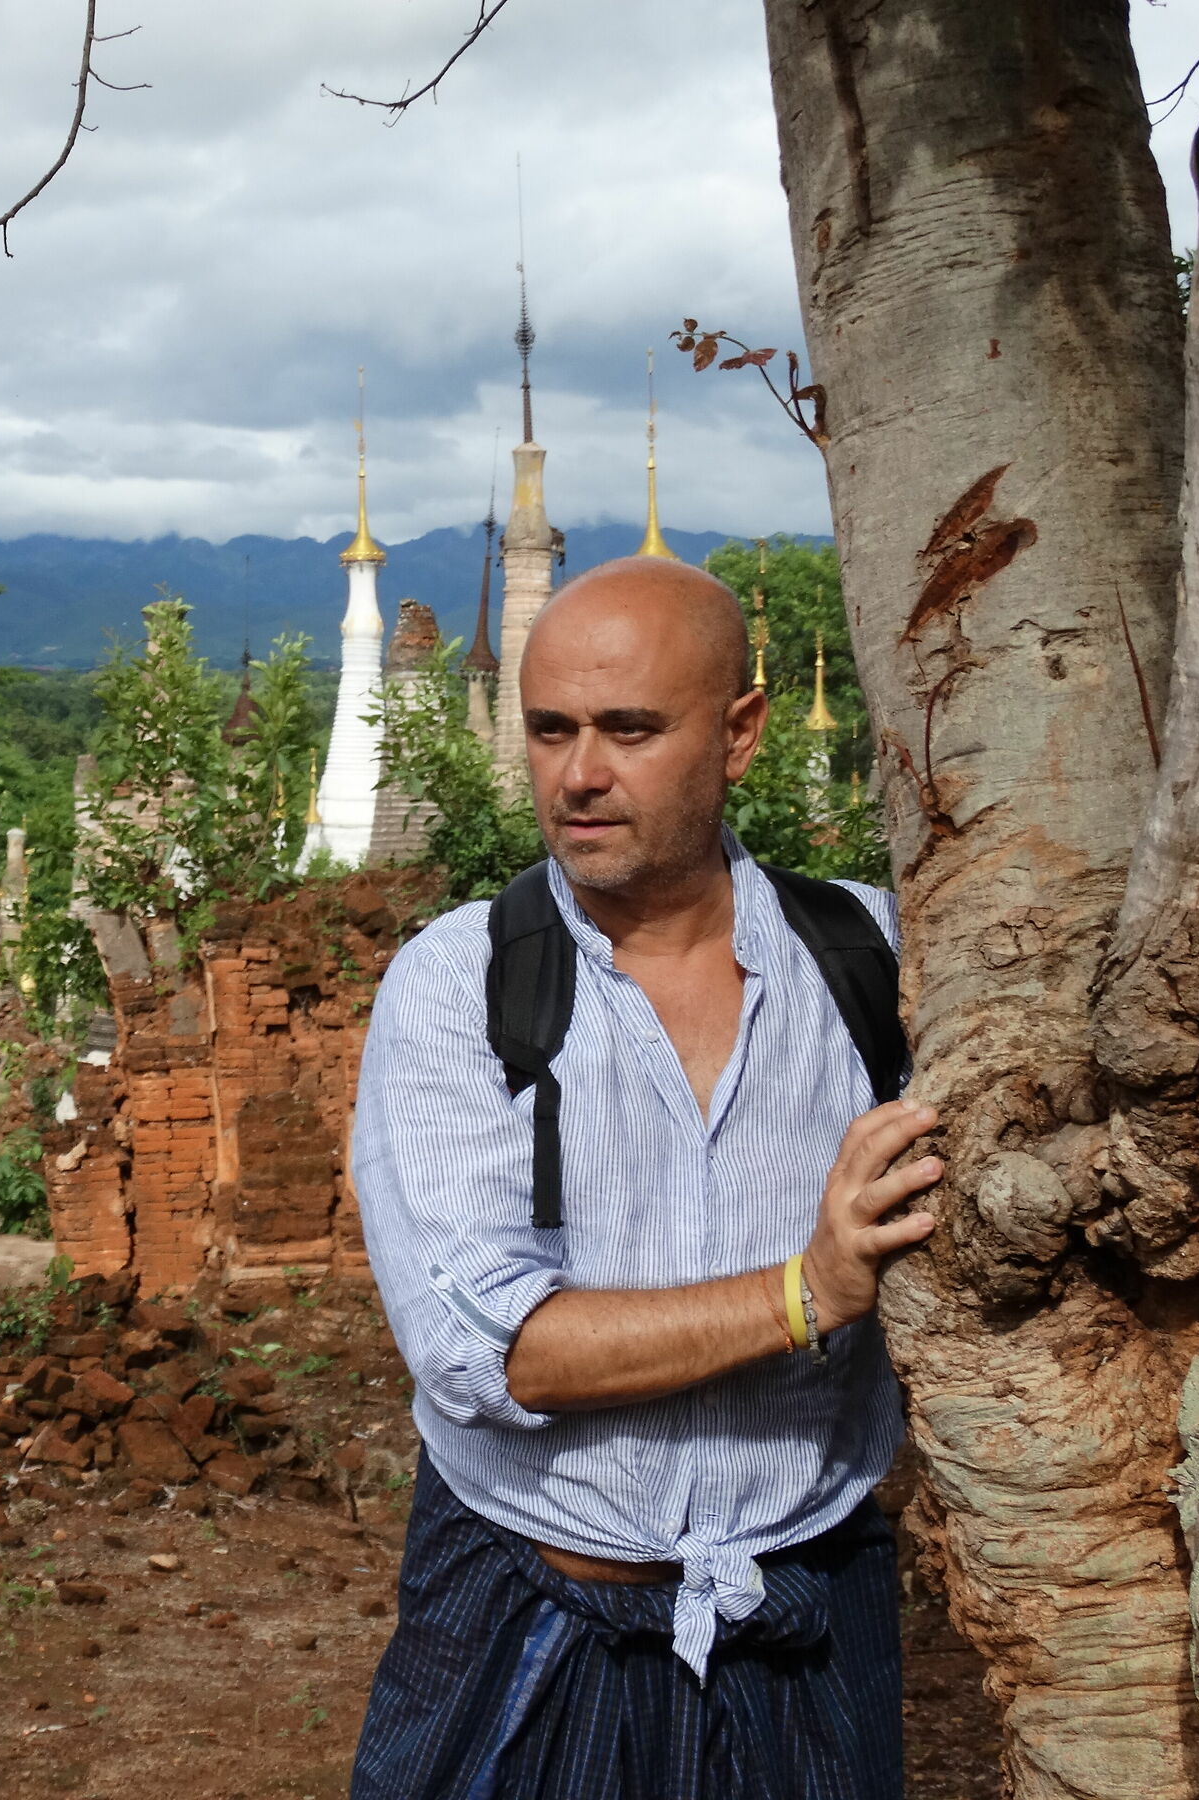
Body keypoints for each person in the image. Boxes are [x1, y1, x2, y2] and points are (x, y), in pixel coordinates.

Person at [348, 556, 940, 1800]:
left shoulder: (874, 962)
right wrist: (806, 1291)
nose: (579, 775)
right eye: (551, 730)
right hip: (528, 1612)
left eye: (630, 729)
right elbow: (490, 1353)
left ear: (741, 734)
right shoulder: (464, 985)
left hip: (805, 1615)